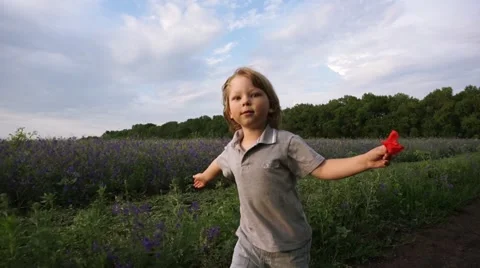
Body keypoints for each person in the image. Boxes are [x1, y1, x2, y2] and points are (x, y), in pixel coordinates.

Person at [192, 67, 391, 268]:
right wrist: (205, 176)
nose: (246, 101)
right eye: (237, 98)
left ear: (270, 105)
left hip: (288, 247)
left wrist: (365, 161)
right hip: (248, 242)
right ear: (230, 113)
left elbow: (323, 168)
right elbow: (219, 161)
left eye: (255, 94)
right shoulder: (232, 148)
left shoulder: (286, 143)